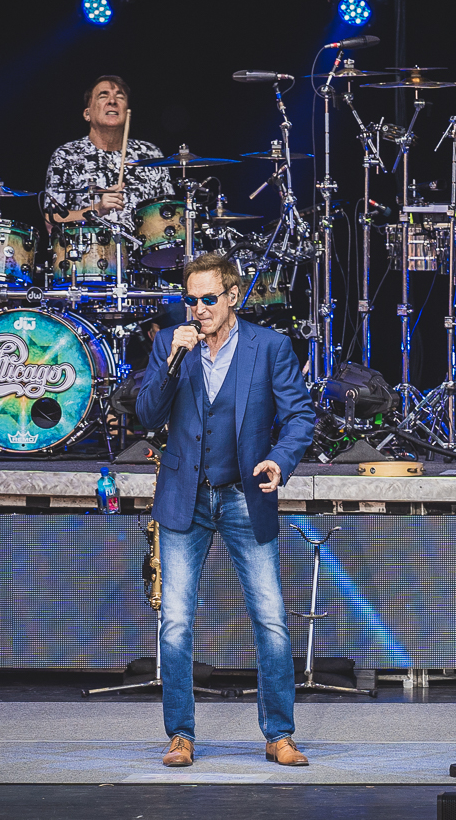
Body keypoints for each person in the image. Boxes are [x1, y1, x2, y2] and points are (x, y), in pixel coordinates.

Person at [133, 252, 317, 769]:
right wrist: (171, 361)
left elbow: (300, 415)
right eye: (189, 300)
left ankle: (278, 734)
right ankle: (180, 735)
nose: (198, 309)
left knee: (272, 620)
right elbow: (146, 413)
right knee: (175, 623)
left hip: (243, 494)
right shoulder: (171, 344)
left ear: (232, 296)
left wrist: (280, 461)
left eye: (208, 299)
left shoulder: (271, 347)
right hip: (184, 497)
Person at [42, 75, 169, 234]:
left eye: (120, 96)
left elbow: (168, 216)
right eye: (103, 96)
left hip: (143, 256)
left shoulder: (150, 154)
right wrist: (97, 210)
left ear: (127, 112)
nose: (112, 101)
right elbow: (51, 223)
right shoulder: (67, 156)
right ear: (87, 114)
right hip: (88, 256)